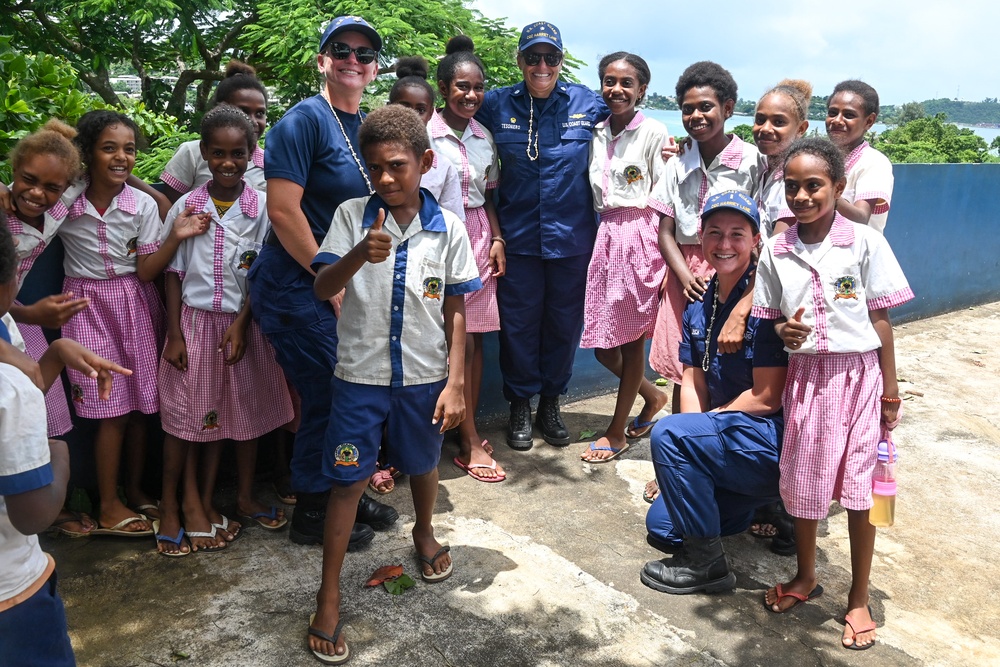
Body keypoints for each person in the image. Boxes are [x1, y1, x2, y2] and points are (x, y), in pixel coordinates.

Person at [307, 104, 480, 664]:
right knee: (346, 483)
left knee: (423, 461)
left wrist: (456, 383)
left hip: (425, 377)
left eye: (398, 166)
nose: (385, 178)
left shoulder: (448, 227)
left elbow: (456, 309)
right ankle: (329, 592)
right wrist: (361, 253)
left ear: (426, 163)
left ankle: (424, 533)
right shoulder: (353, 215)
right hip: (359, 376)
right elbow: (321, 286)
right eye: (375, 167)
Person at [752, 137, 913, 650]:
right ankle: (805, 575)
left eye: (814, 185)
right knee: (805, 483)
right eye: (792, 186)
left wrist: (890, 389)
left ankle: (859, 596)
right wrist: (783, 334)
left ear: (838, 187)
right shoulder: (776, 251)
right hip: (808, 383)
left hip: (860, 379)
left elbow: (880, 319)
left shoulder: (864, 243)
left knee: (860, 489)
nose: (802, 196)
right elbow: (773, 319)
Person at [248, 15, 397, 547]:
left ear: (374, 67)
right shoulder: (303, 121)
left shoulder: (365, 127)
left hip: (336, 283)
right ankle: (313, 510)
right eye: (342, 50)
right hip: (296, 285)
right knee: (329, 395)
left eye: (363, 53)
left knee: (349, 392)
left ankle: (344, 491)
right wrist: (327, 280)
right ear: (322, 59)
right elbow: (285, 213)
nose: (352, 60)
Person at [142, 105, 295, 555]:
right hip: (193, 326)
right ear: (203, 153)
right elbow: (170, 273)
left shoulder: (261, 209)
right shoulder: (188, 207)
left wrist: (244, 324)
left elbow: (262, 274)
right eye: (217, 153)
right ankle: (172, 506)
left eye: (238, 153)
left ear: (252, 154)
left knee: (229, 415)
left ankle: (208, 502)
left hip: (240, 329)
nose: (228, 163)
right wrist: (173, 333)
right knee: (186, 420)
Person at [639, 191, 790, 595]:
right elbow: (692, 382)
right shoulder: (699, 304)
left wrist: (694, 431)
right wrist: (694, 433)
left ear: (756, 240)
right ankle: (750, 506)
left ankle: (708, 566)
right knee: (663, 529)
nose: (724, 244)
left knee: (668, 434)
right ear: (701, 238)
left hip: (767, 442)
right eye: (714, 233)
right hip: (726, 442)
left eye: (737, 234)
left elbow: (766, 398)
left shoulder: (765, 304)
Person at [0, 221, 130, 666]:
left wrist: (53, 354)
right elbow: (33, 516)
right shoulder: (8, 385)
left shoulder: (8, 343)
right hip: (12, 595)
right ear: (12, 279)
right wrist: (59, 452)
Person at [476, 21, 609, 450]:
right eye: (533, 57)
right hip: (516, 241)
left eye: (551, 57)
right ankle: (520, 405)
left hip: (572, 241)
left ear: (561, 61)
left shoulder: (587, 102)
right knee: (518, 326)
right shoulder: (496, 105)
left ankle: (551, 402)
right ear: (520, 61)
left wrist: (668, 146)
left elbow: (628, 129)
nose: (542, 65)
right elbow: (452, 130)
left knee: (563, 326)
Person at [56, 110, 165, 538]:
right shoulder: (66, 200)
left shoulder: (141, 205)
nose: (121, 157)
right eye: (109, 148)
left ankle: (135, 488)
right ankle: (107, 504)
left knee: (138, 407)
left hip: (135, 306)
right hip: (85, 307)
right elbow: (27, 201)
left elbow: (147, 269)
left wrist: (169, 230)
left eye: (129, 149)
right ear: (87, 153)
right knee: (110, 411)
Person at [648, 61, 766, 413]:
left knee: (731, 360)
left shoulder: (751, 162)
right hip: (685, 273)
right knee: (682, 366)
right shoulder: (679, 161)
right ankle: (682, 440)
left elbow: (759, 231)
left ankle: (720, 437)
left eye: (706, 107)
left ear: (728, 109)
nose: (696, 115)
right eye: (687, 109)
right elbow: (665, 230)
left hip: (734, 269)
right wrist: (685, 278)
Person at [1, 121, 100, 537]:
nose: (38, 193)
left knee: (48, 408)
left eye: (51, 186)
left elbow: (85, 173)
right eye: (28, 180)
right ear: (13, 171)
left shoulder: (59, 204)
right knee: (26, 390)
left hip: (15, 314)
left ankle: (39, 499)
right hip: (15, 317)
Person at [578, 52, 669, 462]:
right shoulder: (596, 132)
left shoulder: (653, 132)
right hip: (606, 237)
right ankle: (651, 397)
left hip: (640, 235)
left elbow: (664, 193)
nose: (617, 89)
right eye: (609, 81)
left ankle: (616, 431)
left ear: (642, 89)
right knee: (604, 345)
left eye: (626, 82)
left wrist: (657, 252)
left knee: (632, 342)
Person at [431, 36, 507, 481]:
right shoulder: (424, 133)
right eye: (462, 86)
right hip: (432, 238)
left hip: (476, 238)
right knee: (429, 339)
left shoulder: (484, 138)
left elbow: (488, 197)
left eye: (478, 87)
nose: (471, 95)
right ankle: (417, 435)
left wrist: (496, 238)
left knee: (473, 340)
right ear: (444, 88)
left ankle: (468, 435)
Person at [158, 61, 269, 199]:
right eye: (243, 111)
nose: (253, 121)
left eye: (260, 114)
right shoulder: (193, 154)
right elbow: (169, 205)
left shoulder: (269, 164)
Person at [388, 55, 465, 221]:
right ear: (389, 107)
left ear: (431, 113)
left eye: (420, 110)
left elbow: (454, 223)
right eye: (404, 107)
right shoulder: (373, 160)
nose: (411, 116)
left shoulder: (442, 167)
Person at [825, 80, 894, 233]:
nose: (837, 120)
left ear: (869, 121)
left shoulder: (874, 163)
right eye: (832, 113)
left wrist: (826, 192)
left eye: (849, 115)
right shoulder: (823, 159)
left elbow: (862, 218)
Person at [753, 80, 811, 238]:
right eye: (760, 120)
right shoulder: (763, 167)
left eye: (778, 122)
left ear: (801, 129)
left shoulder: (797, 178)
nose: (765, 129)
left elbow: (779, 245)